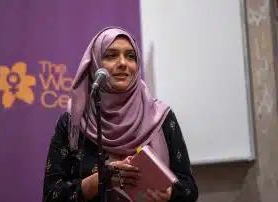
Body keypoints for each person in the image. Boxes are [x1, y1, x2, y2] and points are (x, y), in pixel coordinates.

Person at [42, 26, 198, 202]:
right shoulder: (74, 123)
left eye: (130, 56)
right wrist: (98, 181)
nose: (123, 63)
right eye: (111, 55)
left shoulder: (161, 117)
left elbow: (189, 190)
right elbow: (51, 196)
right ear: (94, 63)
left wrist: (169, 194)